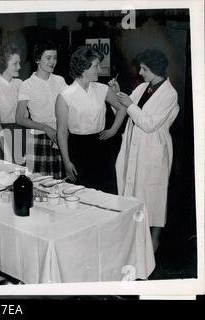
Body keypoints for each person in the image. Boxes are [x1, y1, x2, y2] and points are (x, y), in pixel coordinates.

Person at [111, 49, 179, 252]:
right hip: (135, 147)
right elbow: (123, 111)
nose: (140, 72)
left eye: (144, 68)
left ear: (155, 69)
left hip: (153, 149)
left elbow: (149, 124)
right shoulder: (142, 88)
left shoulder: (170, 94)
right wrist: (116, 95)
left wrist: (130, 105)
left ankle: (154, 240)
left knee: (154, 195)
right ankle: (134, 239)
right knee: (134, 192)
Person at [55, 46, 127, 193]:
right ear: (83, 67)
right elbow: (61, 132)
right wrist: (67, 162)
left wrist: (113, 130)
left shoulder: (103, 89)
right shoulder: (65, 95)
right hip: (77, 148)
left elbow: (123, 108)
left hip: (101, 147)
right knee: (80, 195)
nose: (99, 70)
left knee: (106, 194)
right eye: (96, 66)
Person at [16, 40, 67, 178]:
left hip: (61, 137)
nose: (53, 62)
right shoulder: (27, 85)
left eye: (55, 58)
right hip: (39, 139)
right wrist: (45, 128)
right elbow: (19, 118)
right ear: (38, 59)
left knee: (61, 183)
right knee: (40, 185)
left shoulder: (60, 81)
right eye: (48, 58)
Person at [0, 43, 24, 163]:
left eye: (19, 63)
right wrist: (8, 153)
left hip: (23, 134)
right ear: (3, 64)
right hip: (5, 139)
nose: (19, 67)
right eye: (15, 64)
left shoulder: (19, 83)